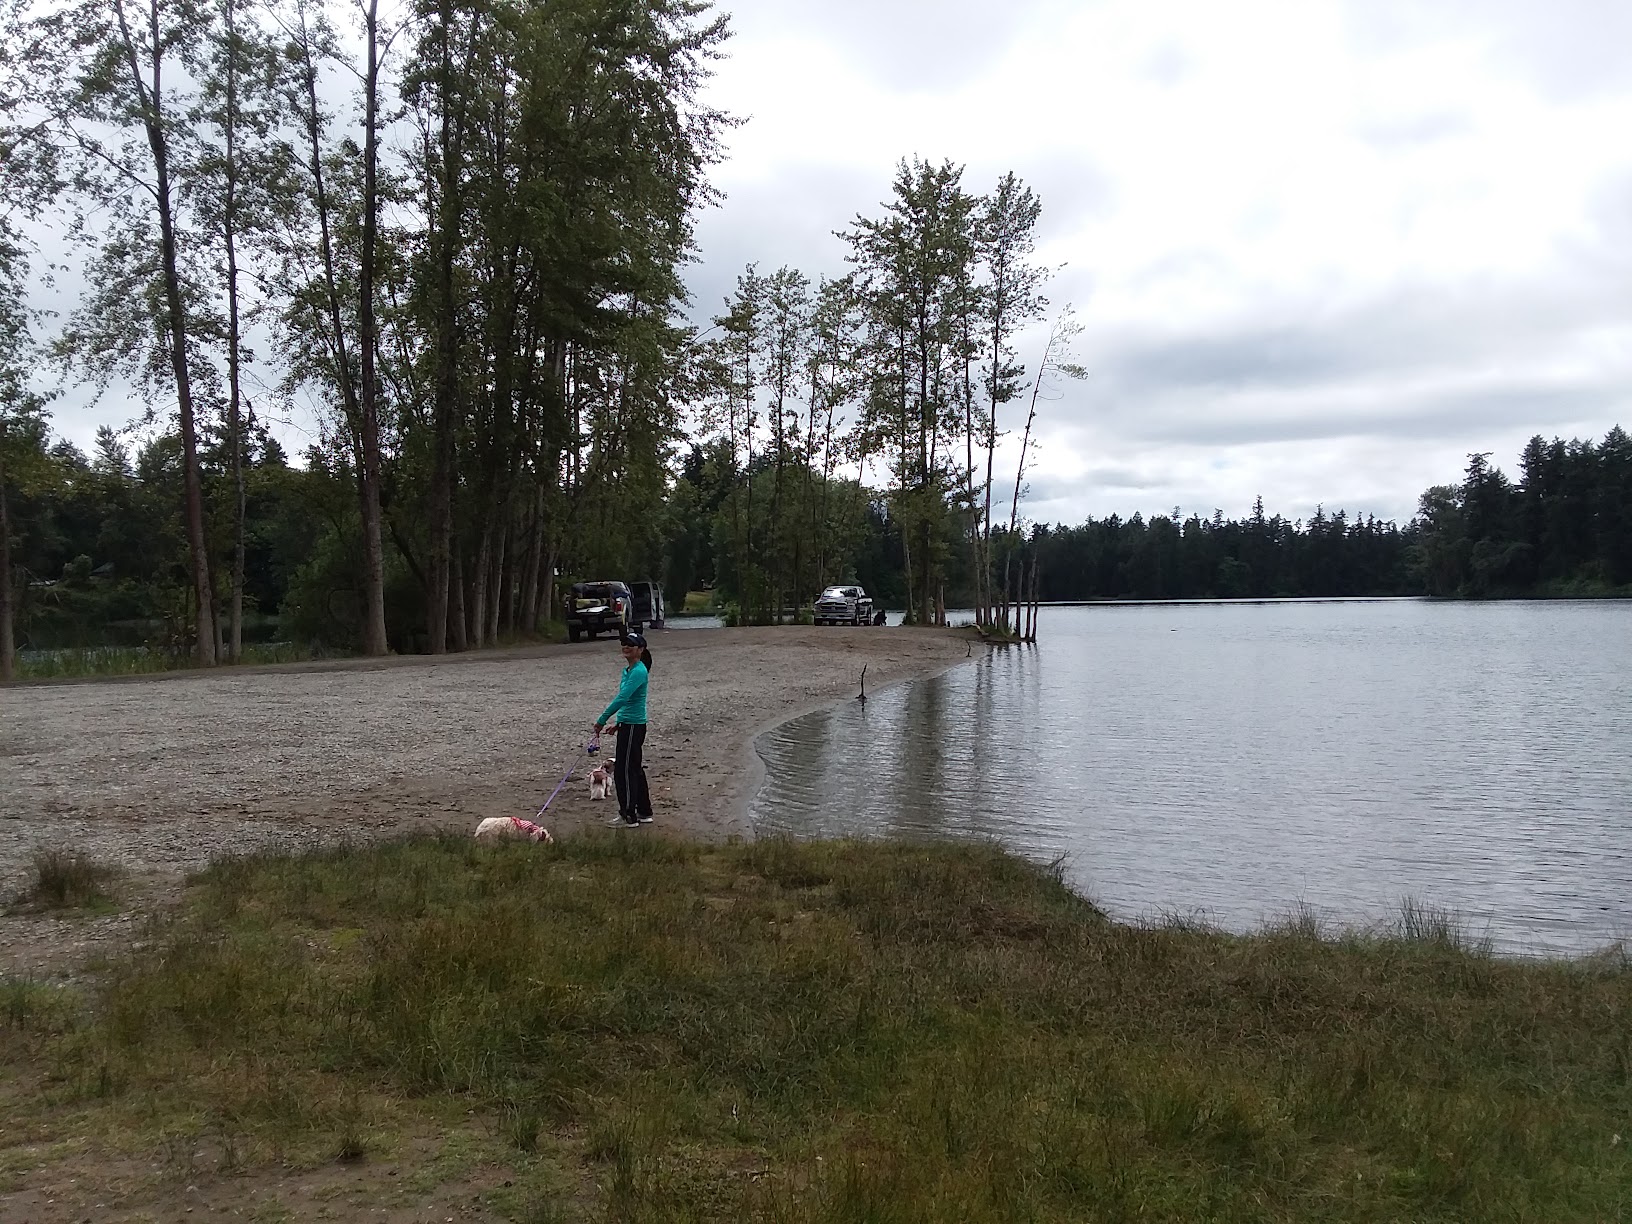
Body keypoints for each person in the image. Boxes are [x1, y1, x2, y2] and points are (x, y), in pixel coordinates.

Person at [594, 632, 654, 826]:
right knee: (634, 768)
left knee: (624, 771)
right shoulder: (628, 671)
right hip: (628, 724)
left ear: (640, 649)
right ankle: (644, 812)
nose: (626, 647)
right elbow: (630, 702)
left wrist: (602, 719)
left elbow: (623, 698)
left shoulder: (639, 671)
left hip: (634, 726)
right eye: (624, 643)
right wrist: (619, 723)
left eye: (631, 644)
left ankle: (628, 815)